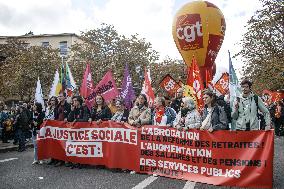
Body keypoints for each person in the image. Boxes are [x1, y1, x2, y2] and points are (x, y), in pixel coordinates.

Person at [52, 92, 71, 167]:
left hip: (66, 128)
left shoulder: (68, 106)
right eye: (58, 96)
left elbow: (71, 116)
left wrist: (68, 119)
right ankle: (60, 160)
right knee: (59, 144)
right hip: (58, 128)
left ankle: (68, 160)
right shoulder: (57, 107)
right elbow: (55, 117)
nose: (59, 97)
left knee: (66, 144)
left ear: (65, 97)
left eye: (61, 96)